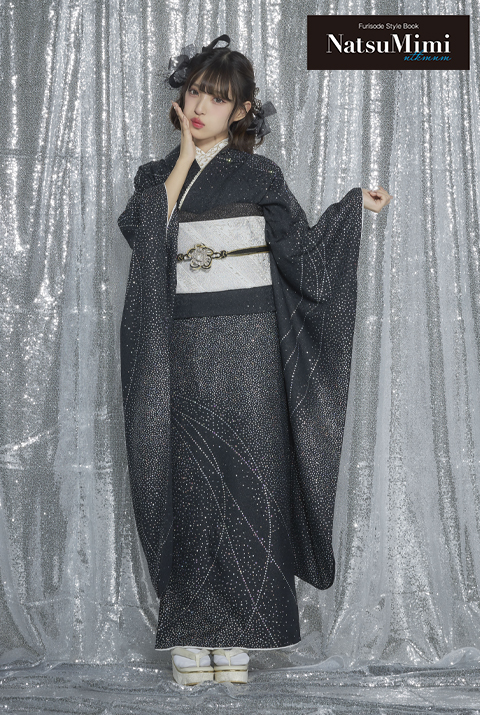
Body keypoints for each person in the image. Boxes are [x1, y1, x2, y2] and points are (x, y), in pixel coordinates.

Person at [117, 34, 392, 687]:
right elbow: (145, 235)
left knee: (249, 483)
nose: (201, 107)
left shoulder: (260, 175)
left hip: (251, 349)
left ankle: (239, 632)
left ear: (242, 110)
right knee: (188, 485)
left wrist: (351, 209)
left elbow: (304, 259)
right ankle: (190, 634)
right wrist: (185, 158)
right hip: (181, 346)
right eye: (194, 93)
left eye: (217, 98)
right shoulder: (157, 177)